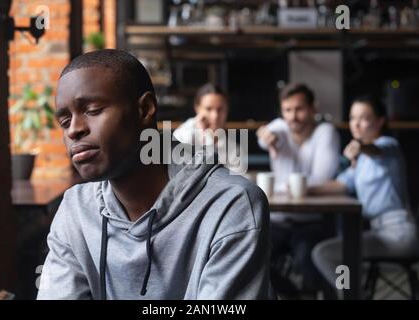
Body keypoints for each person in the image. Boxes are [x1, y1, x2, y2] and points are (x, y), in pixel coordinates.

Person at [36, 49, 272, 300]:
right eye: (64, 122)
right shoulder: (76, 210)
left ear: (145, 109)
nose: (74, 130)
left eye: (93, 110)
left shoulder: (232, 205)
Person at [310, 95, 418, 298]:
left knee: (325, 253)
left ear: (380, 121)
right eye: (352, 118)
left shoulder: (388, 145)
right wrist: (303, 189)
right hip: (381, 232)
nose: (356, 124)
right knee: (336, 251)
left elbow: (377, 150)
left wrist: (361, 147)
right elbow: (340, 184)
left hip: (400, 234)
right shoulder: (360, 161)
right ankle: (352, 292)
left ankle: (350, 294)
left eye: (364, 118)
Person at [256, 83, 340, 296]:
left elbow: (322, 178)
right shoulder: (281, 128)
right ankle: (293, 296)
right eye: (287, 110)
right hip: (278, 221)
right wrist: (267, 137)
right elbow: (268, 134)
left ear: (314, 108)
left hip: (313, 222)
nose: (293, 116)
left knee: (308, 260)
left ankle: (314, 294)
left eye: (299, 109)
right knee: (250, 255)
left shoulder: (325, 132)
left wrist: (284, 186)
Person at [173, 83, 242, 174]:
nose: (215, 116)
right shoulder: (182, 136)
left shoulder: (233, 147)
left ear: (227, 109)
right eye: (208, 109)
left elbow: (237, 179)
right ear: (197, 108)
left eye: (220, 109)